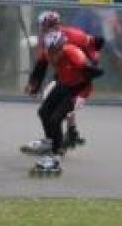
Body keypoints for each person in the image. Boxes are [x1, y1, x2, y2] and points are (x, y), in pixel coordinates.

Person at [22, 31, 101, 175]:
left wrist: (90, 71)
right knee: (43, 112)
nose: (53, 55)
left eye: (55, 51)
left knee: (56, 119)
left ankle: (56, 157)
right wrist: (34, 85)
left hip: (78, 89)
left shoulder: (73, 53)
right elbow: (40, 69)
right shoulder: (48, 53)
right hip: (63, 84)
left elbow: (90, 71)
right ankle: (50, 143)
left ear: (62, 47)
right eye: (50, 51)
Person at [25, 11, 103, 148]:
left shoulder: (73, 35)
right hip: (63, 75)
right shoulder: (47, 40)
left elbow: (97, 42)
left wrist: (90, 65)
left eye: (44, 26)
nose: (42, 29)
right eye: (41, 26)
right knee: (48, 105)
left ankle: (61, 140)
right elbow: (42, 63)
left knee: (60, 111)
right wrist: (34, 84)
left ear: (54, 25)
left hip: (79, 74)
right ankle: (64, 135)